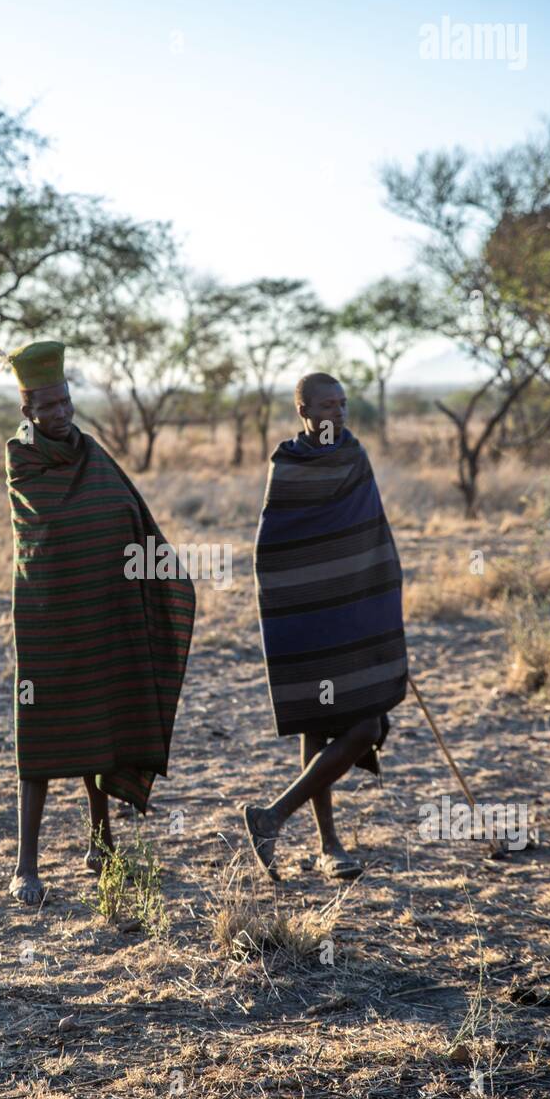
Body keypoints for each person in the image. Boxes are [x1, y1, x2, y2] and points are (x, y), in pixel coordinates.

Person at [0, 340, 195, 905]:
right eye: (47, 406)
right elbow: (48, 525)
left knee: (99, 723)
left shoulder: (91, 451)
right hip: (47, 611)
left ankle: (101, 841)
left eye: (65, 402)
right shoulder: (22, 458)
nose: (60, 414)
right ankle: (25, 866)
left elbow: (124, 509)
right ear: (27, 408)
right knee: (38, 734)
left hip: (101, 605)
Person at [243, 372, 408, 882]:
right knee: (337, 722)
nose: (337, 413)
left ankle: (303, 833)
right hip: (310, 616)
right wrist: (309, 595)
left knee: (363, 722)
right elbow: (275, 549)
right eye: (326, 405)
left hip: (355, 613)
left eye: (342, 403)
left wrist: (377, 604)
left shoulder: (354, 456)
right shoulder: (288, 466)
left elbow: (368, 533)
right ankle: (316, 838)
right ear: (304, 412)